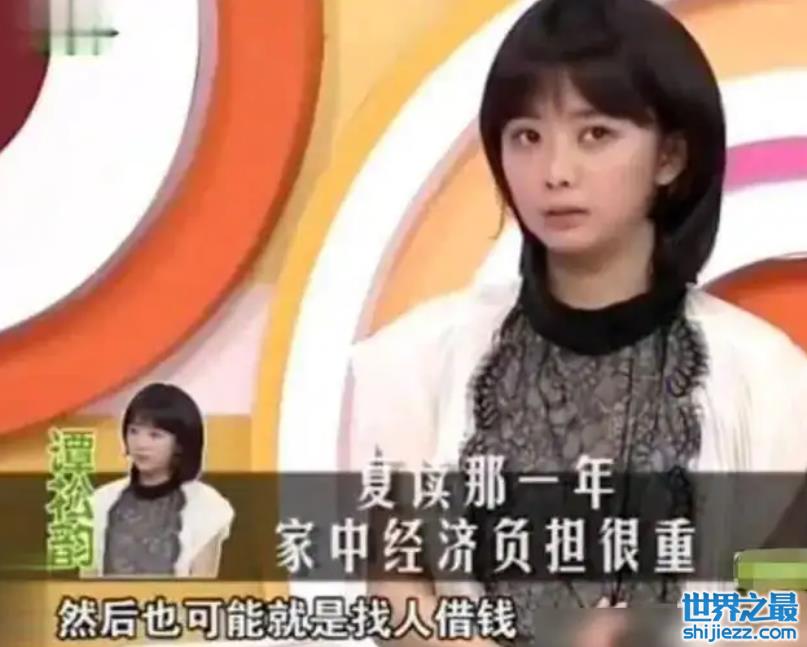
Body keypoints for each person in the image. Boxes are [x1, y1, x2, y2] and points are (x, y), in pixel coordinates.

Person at [348, 0, 807, 644]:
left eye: (595, 134)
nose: (556, 173)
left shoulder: (769, 380)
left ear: (670, 156)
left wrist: (650, 631)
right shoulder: (415, 362)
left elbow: (787, 611)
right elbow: (395, 590)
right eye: (527, 137)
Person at [88, 383, 234, 578]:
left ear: (180, 443)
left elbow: (203, 588)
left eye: (155, 435)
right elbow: (86, 584)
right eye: (134, 431)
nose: (141, 444)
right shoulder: (101, 501)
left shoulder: (207, 506)